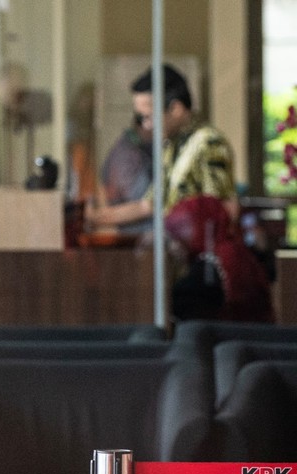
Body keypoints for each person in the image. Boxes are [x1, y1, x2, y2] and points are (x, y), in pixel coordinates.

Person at [88, 64, 238, 229]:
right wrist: (98, 217)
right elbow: (149, 205)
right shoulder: (172, 144)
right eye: (141, 118)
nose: (146, 125)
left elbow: (220, 209)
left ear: (175, 108)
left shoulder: (207, 142)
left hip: (195, 252)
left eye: (149, 117)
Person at [165, 195, 275, 323]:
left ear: (200, 227)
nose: (173, 247)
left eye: (179, 236)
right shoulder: (237, 251)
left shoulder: (210, 267)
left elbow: (180, 303)